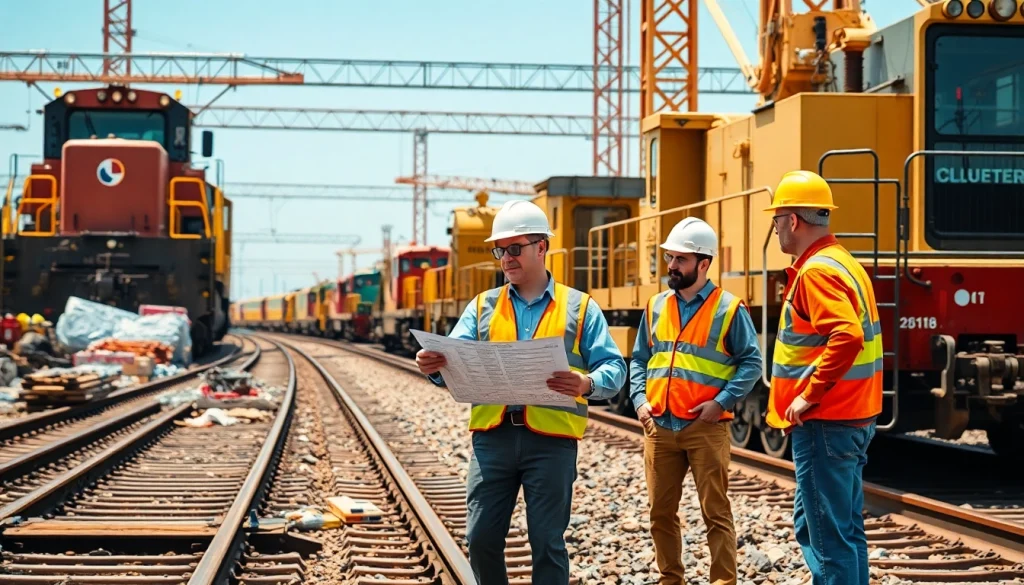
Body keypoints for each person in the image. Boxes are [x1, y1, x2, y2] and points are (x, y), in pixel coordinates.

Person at [415, 199, 628, 585]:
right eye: (500, 250)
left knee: (547, 543)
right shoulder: (482, 307)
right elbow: (452, 361)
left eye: (515, 248)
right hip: (492, 440)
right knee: (480, 539)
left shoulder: (579, 307)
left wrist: (587, 384)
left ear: (541, 247)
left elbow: (614, 369)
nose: (506, 258)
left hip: (552, 443)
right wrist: (435, 367)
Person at [763, 170, 883, 585]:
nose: (775, 228)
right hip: (852, 416)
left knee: (830, 540)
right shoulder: (844, 262)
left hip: (826, 420)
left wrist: (809, 394)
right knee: (837, 530)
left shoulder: (816, 272)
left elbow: (847, 335)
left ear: (793, 221)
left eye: (777, 219)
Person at [629, 217, 763, 585]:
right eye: (669, 257)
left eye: (681, 259)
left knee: (715, 513)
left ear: (704, 264)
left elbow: (752, 363)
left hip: (705, 426)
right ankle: (670, 579)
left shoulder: (728, 308)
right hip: (659, 426)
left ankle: (723, 582)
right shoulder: (656, 305)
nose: (671, 265)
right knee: (660, 514)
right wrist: (639, 399)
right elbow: (639, 359)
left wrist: (721, 402)